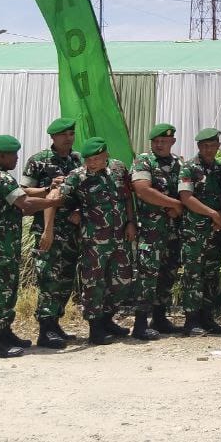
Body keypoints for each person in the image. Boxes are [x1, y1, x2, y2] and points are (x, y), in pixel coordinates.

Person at [0, 134, 62, 358]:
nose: (16, 158)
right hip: (0, 245)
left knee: (8, 289)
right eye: (13, 155)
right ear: (1, 156)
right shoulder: (2, 178)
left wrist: (46, 189)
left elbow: (21, 194)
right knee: (1, 293)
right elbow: (26, 204)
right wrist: (52, 201)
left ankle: (5, 333)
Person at [57, 137, 138, 345]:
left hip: (120, 236)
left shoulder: (119, 168)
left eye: (95, 159)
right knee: (94, 283)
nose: (91, 163)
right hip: (94, 240)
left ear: (106, 156)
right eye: (88, 160)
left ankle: (108, 319)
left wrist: (131, 222)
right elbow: (58, 197)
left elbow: (127, 197)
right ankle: (95, 328)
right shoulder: (78, 175)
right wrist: (72, 211)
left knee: (122, 281)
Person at [21, 117, 82, 349]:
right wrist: (47, 188)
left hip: (72, 230)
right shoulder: (38, 161)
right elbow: (24, 191)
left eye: (71, 134)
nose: (68, 138)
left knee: (65, 278)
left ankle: (55, 323)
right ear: (53, 137)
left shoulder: (77, 160)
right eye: (63, 134)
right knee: (49, 278)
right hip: (47, 229)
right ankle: (45, 329)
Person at [130, 123, 185, 338]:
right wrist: (174, 204)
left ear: (172, 142)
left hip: (173, 230)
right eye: (156, 141)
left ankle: (160, 318)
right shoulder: (144, 161)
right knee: (147, 276)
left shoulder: (178, 163)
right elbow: (143, 190)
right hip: (150, 231)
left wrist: (178, 206)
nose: (160, 145)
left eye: (164, 141)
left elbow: (186, 191)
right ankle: (140, 324)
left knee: (168, 274)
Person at [176, 128, 221, 336]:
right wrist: (213, 214)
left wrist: (220, 217)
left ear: (218, 146)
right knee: (193, 275)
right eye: (205, 146)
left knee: (211, 275)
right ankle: (191, 320)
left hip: (216, 232)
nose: (209, 149)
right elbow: (186, 198)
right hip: (194, 232)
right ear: (198, 146)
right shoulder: (189, 168)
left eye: (213, 146)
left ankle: (208, 318)